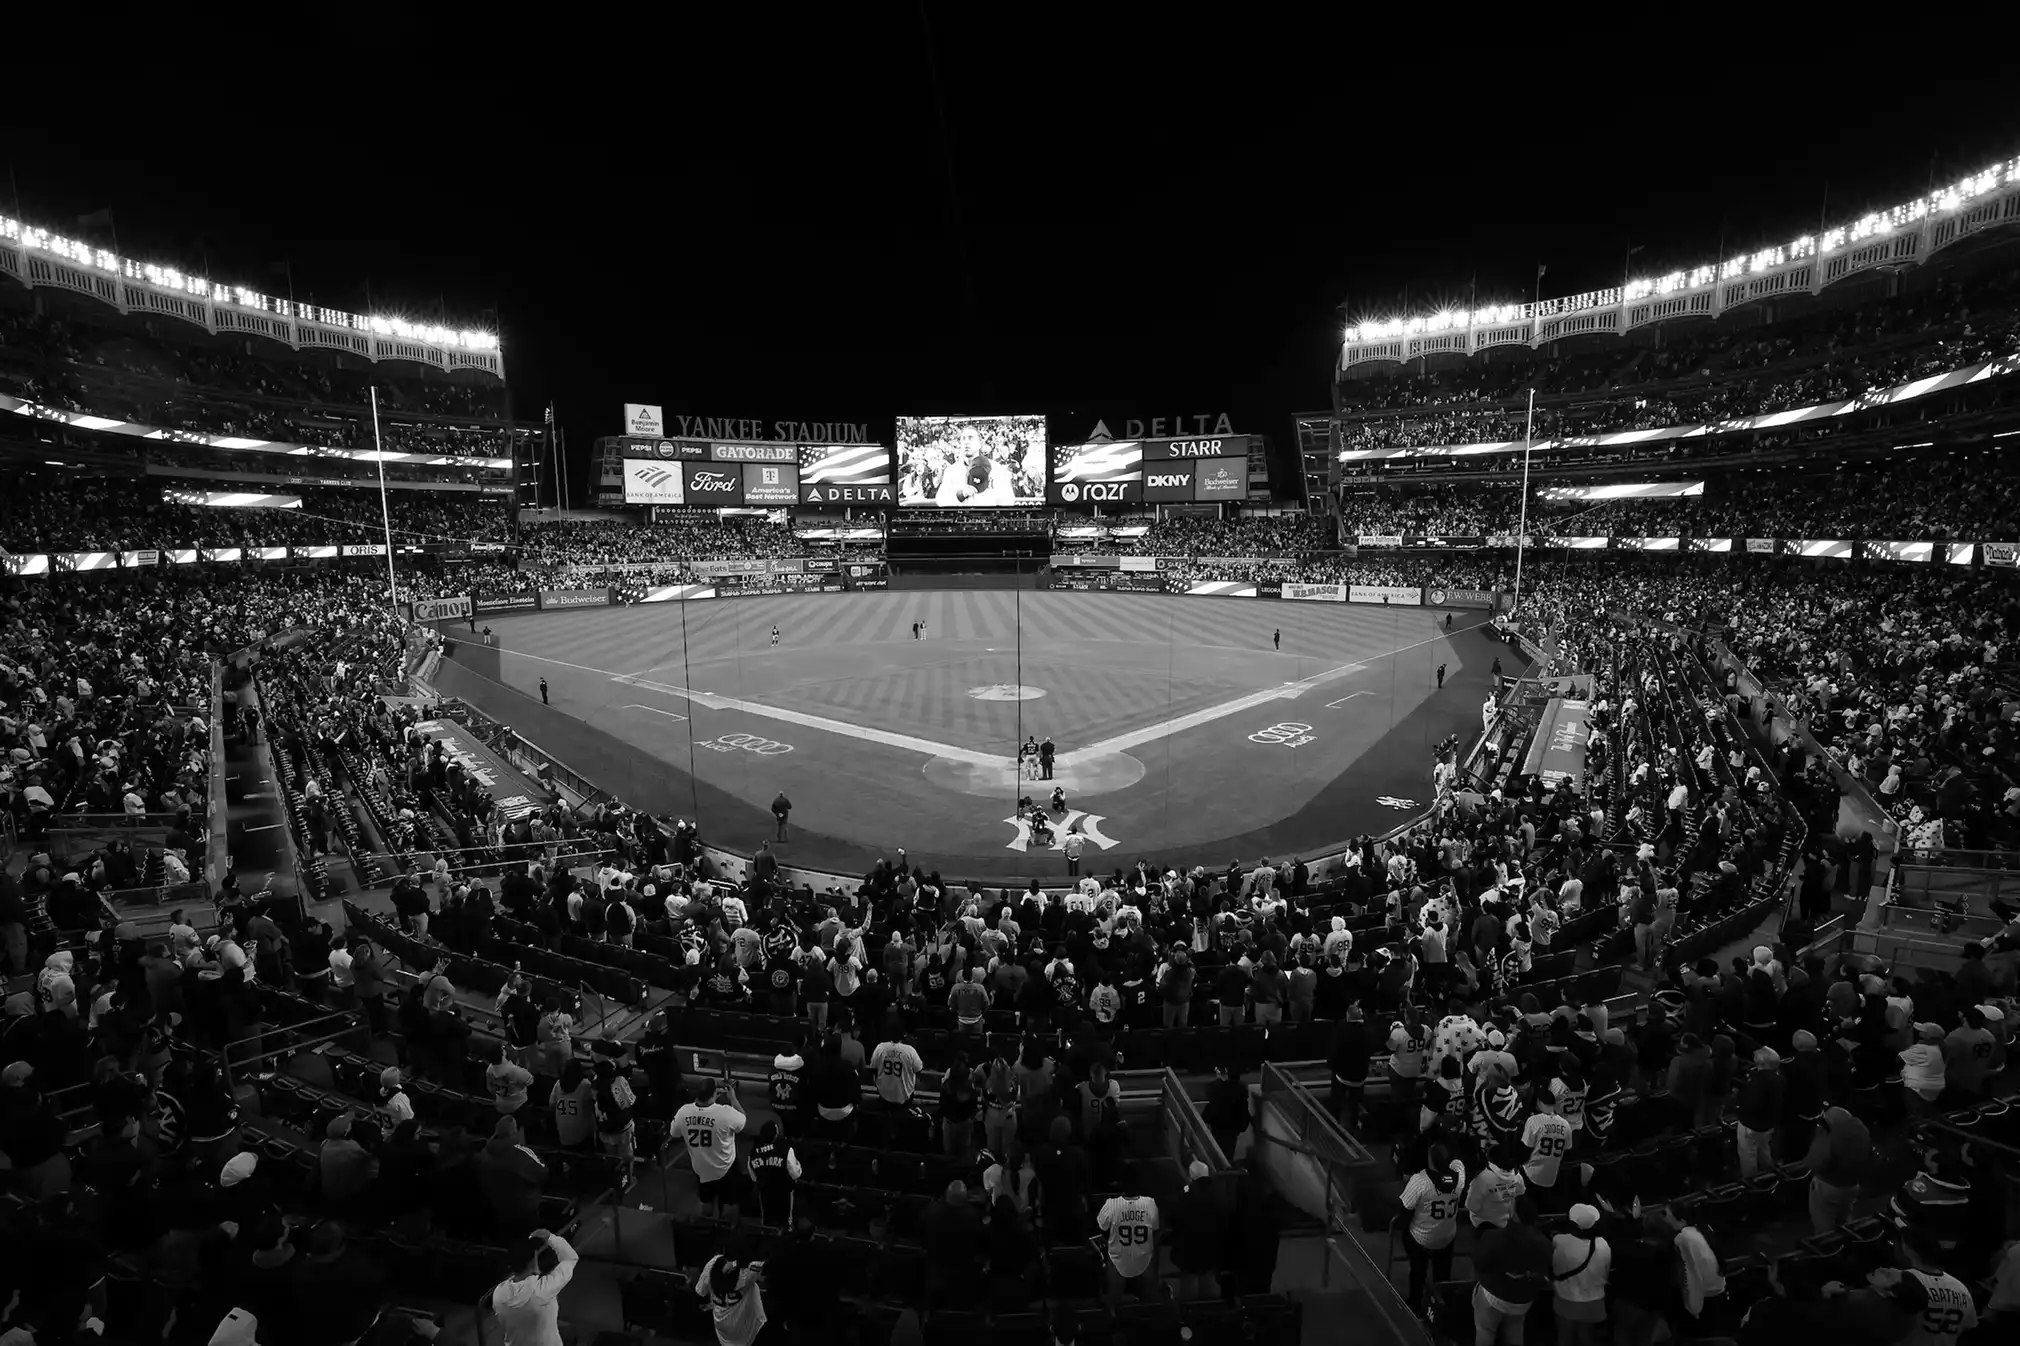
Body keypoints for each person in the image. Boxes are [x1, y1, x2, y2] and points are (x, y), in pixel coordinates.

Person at [1399, 1142, 1464, 1313]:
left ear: (1430, 1160)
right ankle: (1441, 1307)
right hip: (1446, 1237)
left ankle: (1415, 1304)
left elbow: (1405, 1209)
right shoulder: (1459, 1178)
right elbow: (1458, 1163)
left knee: (1418, 1272)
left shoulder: (1420, 1181)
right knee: (1442, 1277)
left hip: (1422, 1238)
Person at [488, 1230, 579, 1346]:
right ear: (532, 1262)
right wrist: (550, 1237)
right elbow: (570, 1258)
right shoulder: (542, 1291)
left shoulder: (498, 1293)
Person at [674, 1076, 747, 1218]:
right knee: (729, 1205)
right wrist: (733, 1099)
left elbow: (674, 1133)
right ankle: (725, 1230)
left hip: (700, 1168)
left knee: (706, 1203)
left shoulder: (683, 1111)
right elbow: (742, 1120)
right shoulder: (725, 1112)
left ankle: (706, 1229)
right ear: (714, 1094)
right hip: (724, 1168)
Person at [1096, 1165, 1160, 1309]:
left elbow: (1101, 1228)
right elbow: (1156, 1230)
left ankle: (1114, 1319)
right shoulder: (1150, 1203)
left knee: (1114, 1302)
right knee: (1150, 1303)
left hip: (1119, 1258)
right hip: (1144, 1257)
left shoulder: (1111, 1204)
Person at [1550, 1204, 1611, 1346]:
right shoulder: (1603, 1244)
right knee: (1587, 1338)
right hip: (1594, 1302)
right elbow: (1606, 1273)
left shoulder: (1561, 1241)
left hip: (1567, 1299)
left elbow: (1554, 1266)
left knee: (1564, 1338)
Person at [697, 1251, 768, 1346]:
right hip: (745, 1327)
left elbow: (701, 1292)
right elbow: (764, 1270)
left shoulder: (713, 1262)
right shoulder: (750, 1269)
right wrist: (737, 1263)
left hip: (722, 1325)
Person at [746, 1120, 802, 1229]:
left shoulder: (753, 1152)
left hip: (765, 1193)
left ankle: (767, 1241)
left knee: (767, 1223)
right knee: (786, 1223)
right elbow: (795, 1174)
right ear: (776, 1135)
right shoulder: (785, 1149)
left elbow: (753, 1177)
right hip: (784, 1193)